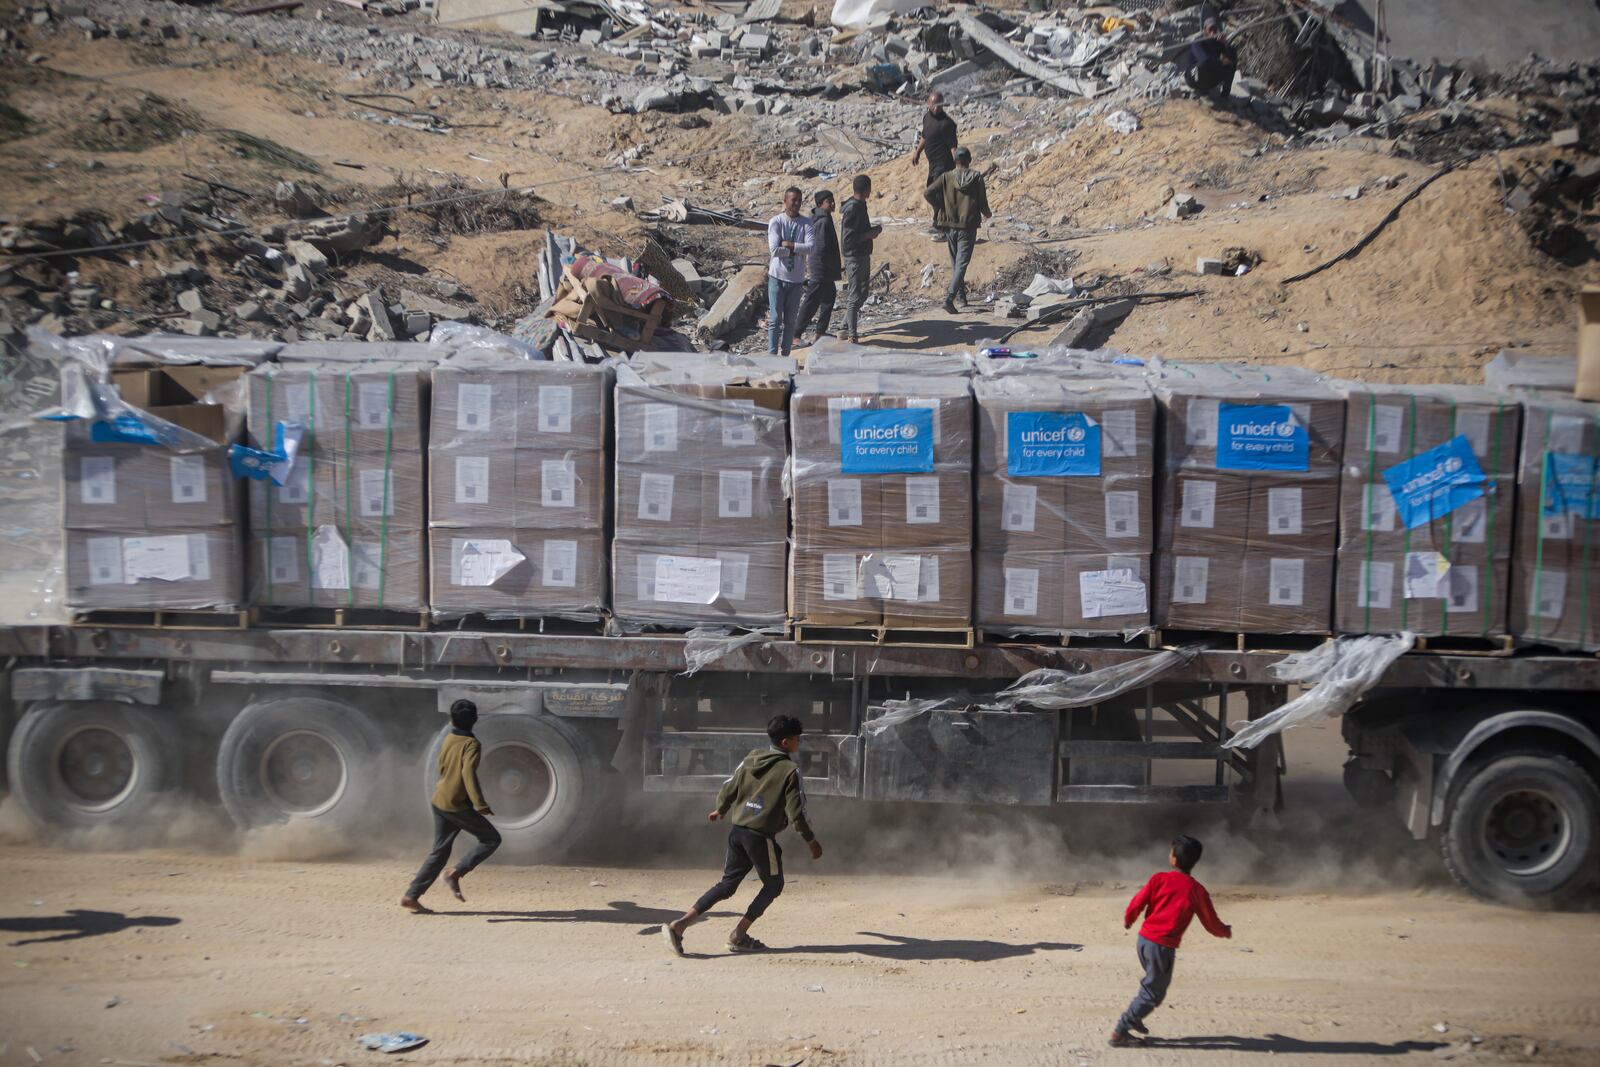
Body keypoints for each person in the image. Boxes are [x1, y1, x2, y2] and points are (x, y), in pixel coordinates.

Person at [662, 714, 823, 955]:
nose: (799, 743)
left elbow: (730, 785)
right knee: (774, 885)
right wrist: (811, 840)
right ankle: (738, 935)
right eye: (797, 739)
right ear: (786, 742)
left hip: (738, 832)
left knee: (727, 884)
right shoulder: (790, 770)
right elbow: (796, 812)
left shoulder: (751, 758)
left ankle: (680, 925)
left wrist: (721, 808)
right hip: (760, 836)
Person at [1110, 835, 1232, 1047]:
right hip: (1162, 948)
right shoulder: (1196, 891)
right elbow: (1211, 923)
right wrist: (1225, 931)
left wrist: (1129, 919)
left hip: (1144, 942)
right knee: (1153, 993)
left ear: (1173, 859)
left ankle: (1136, 1016)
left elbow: (1137, 902)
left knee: (1151, 983)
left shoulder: (1158, 879)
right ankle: (1120, 1031)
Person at [400, 699, 501, 914]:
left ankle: (411, 895)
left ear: (452, 719)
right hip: (456, 805)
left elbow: (443, 766)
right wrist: (480, 804)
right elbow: (467, 773)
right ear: (475, 719)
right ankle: (455, 873)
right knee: (491, 839)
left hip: (440, 800)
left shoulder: (448, 738)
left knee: (439, 852)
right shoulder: (471, 744)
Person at [923, 146, 992, 315]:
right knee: (961, 264)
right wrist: (987, 214)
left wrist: (939, 207)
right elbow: (983, 202)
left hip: (949, 226)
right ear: (969, 160)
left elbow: (927, 193)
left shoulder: (946, 177)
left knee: (956, 263)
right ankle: (949, 298)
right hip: (967, 226)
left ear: (955, 161)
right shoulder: (976, 177)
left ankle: (961, 298)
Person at [766, 186, 814, 356]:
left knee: (790, 322)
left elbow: (811, 248)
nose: (797, 203)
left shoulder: (806, 223)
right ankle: (772, 355)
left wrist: (791, 245)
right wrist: (797, 250)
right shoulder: (777, 222)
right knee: (774, 320)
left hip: (796, 280)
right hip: (777, 278)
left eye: (799, 200)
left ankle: (785, 355)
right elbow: (774, 250)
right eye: (793, 200)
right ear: (785, 201)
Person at [838, 174, 881, 345]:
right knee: (854, 296)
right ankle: (852, 334)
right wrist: (869, 235)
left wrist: (871, 231)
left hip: (862, 254)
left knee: (863, 294)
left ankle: (844, 327)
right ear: (867, 189)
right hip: (854, 257)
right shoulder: (853, 208)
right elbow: (848, 238)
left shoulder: (860, 205)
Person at [795, 188, 841, 344]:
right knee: (811, 302)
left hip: (823, 269)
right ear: (821, 204)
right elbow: (820, 247)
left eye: (833, 200)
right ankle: (795, 335)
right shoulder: (823, 220)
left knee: (829, 298)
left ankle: (820, 334)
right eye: (829, 201)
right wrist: (826, 268)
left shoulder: (820, 218)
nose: (833, 204)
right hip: (821, 269)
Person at [911, 91, 959, 237]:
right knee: (934, 195)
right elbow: (925, 136)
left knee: (935, 194)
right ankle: (938, 223)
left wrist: (959, 164)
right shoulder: (927, 118)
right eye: (934, 105)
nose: (937, 108)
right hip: (932, 165)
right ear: (928, 104)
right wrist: (917, 152)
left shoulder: (947, 124)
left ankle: (945, 228)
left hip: (944, 166)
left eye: (939, 105)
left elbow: (953, 146)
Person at [1184, 17, 1237, 103]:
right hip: (1193, 77)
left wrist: (1225, 44)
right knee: (1204, 64)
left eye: (1215, 29)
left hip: (1209, 78)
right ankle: (1203, 93)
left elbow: (1232, 59)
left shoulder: (1218, 43)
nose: (1213, 31)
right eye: (1210, 29)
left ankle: (1224, 95)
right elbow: (1205, 60)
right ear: (1205, 30)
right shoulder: (1197, 43)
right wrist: (1221, 62)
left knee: (1231, 63)